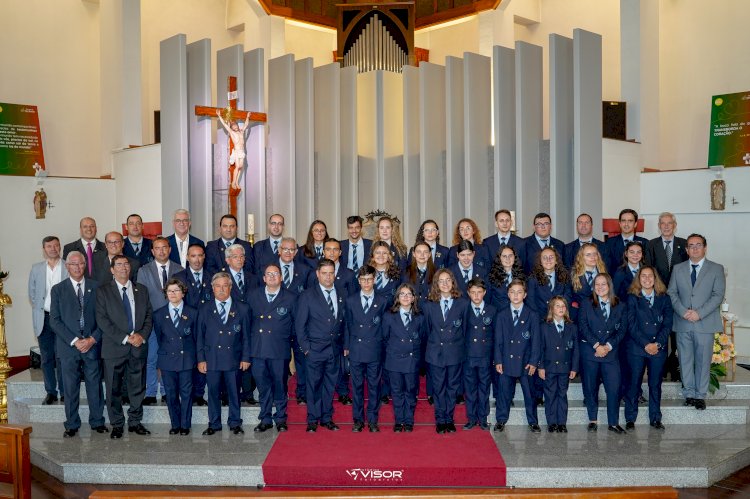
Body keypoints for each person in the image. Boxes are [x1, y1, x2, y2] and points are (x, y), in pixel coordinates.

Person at [49, 251, 107, 437]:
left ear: (85, 265)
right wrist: (75, 341)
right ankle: (72, 424)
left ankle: (97, 421)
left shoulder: (96, 287)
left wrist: (91, 339)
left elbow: (103, 319)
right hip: (68, 347)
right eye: (73, 264)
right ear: (67, 267)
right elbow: (55, 320)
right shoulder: (58, 289)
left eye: (81, 263)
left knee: (95, 385)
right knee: (70, 387)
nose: (77, 267)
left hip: (92, 345)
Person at [96, 254, 153, 439]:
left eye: (126, 264)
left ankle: (135, 422)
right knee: (113, 389)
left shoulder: (141, 290)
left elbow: (148, 317)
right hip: (114, 348)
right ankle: (117, 424)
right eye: (119, 265)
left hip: (137, 347)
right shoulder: (103, 291)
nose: (123, 268)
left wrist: (141, 336)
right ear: (112, 270)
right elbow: (102, 320)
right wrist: (125, 338)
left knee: (137, 387)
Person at [667, 234, 725, 411]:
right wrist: (684, 312)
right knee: (684, 360)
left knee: (702, 360)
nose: (694, 248)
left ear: (705, 247)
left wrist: (699, 313)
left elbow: (718, 296)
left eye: (698, 245)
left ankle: (700, 395)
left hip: (705, 322)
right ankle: (689, 394)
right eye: (690, 246)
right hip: (683, 322)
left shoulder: (716, 269)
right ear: (686, 249)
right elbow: (672, 293)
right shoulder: (678, 269)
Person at [197, 272, 251, 435]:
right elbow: (199, 336)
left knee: (234, 392)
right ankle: (214, 423)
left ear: (231, 287)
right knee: (213, 393)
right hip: (211, 358)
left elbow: (247, 336)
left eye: (225, 285)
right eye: (218, 286)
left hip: (233, 359)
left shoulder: (242, 308)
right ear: (212, 288)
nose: (221, 289)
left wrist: (246, 357)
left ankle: (235, 422)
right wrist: (201, 359)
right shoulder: (205, 308)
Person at [295, 259, 345, 432]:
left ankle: (326, 417)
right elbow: (300, 326)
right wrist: (306, 349)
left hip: (334, 349)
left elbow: (343, 322)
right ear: (317, 274)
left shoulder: (341, 293)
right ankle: (312, 419)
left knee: (330, 385)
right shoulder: (307, 295)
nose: (328, 277)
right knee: (313, 385)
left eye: (331, 273)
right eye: (324, 273)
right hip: (314, 349)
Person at [248, 264, 296, 433]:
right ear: (263, 278)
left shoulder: (290, 297)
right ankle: (265, 418)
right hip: (258, 349)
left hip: (279, 348)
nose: (272, 277)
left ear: (281, 277)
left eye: (276, 274)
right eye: (269, 274)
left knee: (280, 385)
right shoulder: (253, 295)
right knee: (263, 386)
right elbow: (248, 323)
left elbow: (295, 325)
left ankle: (281, 418)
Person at [136, 237, 184, 406]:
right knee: (151, 358)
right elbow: (141, 298)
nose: (161, 251)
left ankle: (166, 391)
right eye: (158, 248)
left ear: (170, 250)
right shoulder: (143, 270)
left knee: (168, 358)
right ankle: (150, 392)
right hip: (152, 321)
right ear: (152, 251)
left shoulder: (179, 269)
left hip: (174, 322)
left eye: (165, 247)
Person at [624, 266, 673, 430]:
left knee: (655, 384)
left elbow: (667, 324)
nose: (646, 279)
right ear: (638, 279)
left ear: (655, 278)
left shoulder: (664, 298)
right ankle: (630, 418)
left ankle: (655, 418)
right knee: (633, 383)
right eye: (643, 276)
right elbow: (631, 325)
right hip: (637, 348)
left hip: (658, 349)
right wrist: (646, 344)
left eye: (650, 276)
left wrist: (656, 344)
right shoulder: (632, 298)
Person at [578, 273, 627, 434]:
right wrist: (597, 345)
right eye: (596, 285)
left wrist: (608, 346)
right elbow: (583, 327)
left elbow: (622, 330)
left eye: (603, 284)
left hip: (610, 354)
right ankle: (592, 420)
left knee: (614, 388)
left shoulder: (620, 305)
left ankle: (613, 422)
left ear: (610, 286)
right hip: (590, 352)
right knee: (590, 387)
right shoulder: (586, 303)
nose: (600, 287)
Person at [526, 246, 572, 406]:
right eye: (544, 257)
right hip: (541, 324)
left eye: (551, 257)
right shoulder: (532, 279)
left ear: (557, 259)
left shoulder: (564, 277)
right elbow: (531, 304)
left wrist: (558, 317)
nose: (548, 260)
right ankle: (539, 394)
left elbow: (567, 298)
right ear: (539, 261)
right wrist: (546, 321)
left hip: (560, 324)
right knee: (541, 357)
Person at [644, 212, 688, 381]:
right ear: (659, 225)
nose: (667, 226)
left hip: (680, 297)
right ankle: (660, 368)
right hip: (659, 296)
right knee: (660, 332)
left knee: (677, 334)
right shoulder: (651, 244)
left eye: (670, 223)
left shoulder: (683, 244)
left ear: (675, 225)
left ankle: (675, 367)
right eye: (663, 223)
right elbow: (649, 270)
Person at [344, 265, 388, 432]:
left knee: (374, 386)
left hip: (374, 349)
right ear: (359, 281)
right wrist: (346, 346)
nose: (366, 282)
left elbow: (385, 327)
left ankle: (373, 420)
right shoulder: (351, 300)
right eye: (363, 279)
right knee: (356, 387)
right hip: (356, 348)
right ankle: (358, 420)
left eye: (369, 279)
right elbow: (347, 324)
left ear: (374, 279)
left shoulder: (382, 300)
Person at [424, 269, 468, 434]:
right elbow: (427, 330)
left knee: (452, 388)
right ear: (436, 284)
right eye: (441, 281)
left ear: (453, 282)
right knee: (438, 388)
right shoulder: (429, 305)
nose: (445, 283)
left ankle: (449, 419)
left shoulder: (462, 303)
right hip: (435, 353)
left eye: (448, 280)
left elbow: (464, 329)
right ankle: (440, 420)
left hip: (455, 352)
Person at [493, 279, 540, 433]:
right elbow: (498, 340)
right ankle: (501, 420)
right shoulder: (502, 315)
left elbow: (536, 341)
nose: (516, 295)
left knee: (529, 393)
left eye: (519, 292)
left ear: (525, 295)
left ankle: (533, 421)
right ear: (508, 294)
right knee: (504, 393)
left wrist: (534, 362)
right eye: (512, 292)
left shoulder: (532, 315)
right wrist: (498, 360)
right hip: (506, 360)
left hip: (526, 362)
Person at [152, 279, 197, 435]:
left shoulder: (193, 313)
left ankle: (185, 424)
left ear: (183, 293)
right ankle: (175, 424)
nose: (173, 294)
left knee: (186, 393)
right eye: (169, 291)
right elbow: (160, 337)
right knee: (170, 394)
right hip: (167, 359)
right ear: (165, 294)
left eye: (176, 290)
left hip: (186, 359)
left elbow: (196, 337)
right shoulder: (158, 314)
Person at [28, 236, 67, 404]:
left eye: (56, 245)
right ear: (44, 249)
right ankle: (51, 391)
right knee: (47, 358)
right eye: (49, 246)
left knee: (62, 357)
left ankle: (66, 392)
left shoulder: (68, 266)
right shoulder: (36, 269)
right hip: (44, 318)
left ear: (60, 247)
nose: (53, 249)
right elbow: (32, 293)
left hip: (63, 319)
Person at [173, 243, 213, 406]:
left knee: (204, 358)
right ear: (187, 258)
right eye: (193, 256)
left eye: (200, 255)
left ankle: (199, 393)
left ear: (204, 257)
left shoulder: (212, 276)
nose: (197, 260)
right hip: (186, 326)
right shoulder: (179, 277)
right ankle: (187, 393)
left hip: (207, 325)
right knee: (188, 359)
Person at [382, 282, 425, 432]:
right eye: (402, 294)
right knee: (397, 391)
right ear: (397, 297)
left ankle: (409, 420)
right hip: (394, 360)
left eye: (409, 294)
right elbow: (385, 337)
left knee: (411, 391)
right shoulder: (389, 316)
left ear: (414, 298)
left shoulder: (419, 317)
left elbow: (422, 338)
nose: (405, 297)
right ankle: (399, 420)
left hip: (412, 360)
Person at [278, 237, 312, 405]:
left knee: (301, 359)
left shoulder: (304, 270)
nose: (288, 252)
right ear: (279, 250)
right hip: (278, 325)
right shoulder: (269, 269)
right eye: (285, 249)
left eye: (292, 250)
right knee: (281, 361)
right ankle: (281, 393)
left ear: (296, 252)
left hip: (299, 324)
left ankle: (302, 392)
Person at [538, 296, 578, 433]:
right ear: (552, 309)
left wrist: (574, 368)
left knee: (562, 394)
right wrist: (541, 366)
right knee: (550, 395)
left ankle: (562, 422)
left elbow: (576, 349)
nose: (561, 308)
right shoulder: (544, 327)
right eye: (557, 306)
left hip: (565, 367)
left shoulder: (571, 327)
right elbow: (540, 348)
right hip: (549, 366)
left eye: (563, 306)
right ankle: (552, 422)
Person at [224, 243, 257, 405]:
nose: (239, 259)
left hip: (250, 324)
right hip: (229, 325)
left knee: (247, 358)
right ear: (228, 260)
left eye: (242, 256)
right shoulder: (222, 279)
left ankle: (248, 393)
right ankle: (229, 394)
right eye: (235, 256)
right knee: (231, 360)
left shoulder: (253, 277)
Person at [462, 277, 496, 430]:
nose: (476, 296)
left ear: (485, 293)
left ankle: (482, 418)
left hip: (485, 356)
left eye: (479, 292)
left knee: (484, 388)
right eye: (473, 292)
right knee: (469, 388)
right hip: (468, 356)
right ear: (468, 293)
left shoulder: (492, 310)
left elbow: (496, 335)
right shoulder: (464, 310)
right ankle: (471, 418)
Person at [569, 242, 607, 323]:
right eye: (588, 255)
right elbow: (569, 296)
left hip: (601, 317)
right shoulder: (572, 274)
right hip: (580, 317)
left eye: (595, 254)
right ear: (581, 257)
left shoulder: (604, 273)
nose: (593, 257)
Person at [604, 209, 648, 274]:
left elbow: (646, 267)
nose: (626, 224)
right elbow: (607, 267)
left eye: (630, 221)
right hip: (616, 282)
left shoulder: (645, 243)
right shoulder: (610, 243)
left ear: (635, 224)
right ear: (620, 223)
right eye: (623, 221)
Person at [216, 109, 252, 190]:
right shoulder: (232, 133)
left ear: (237, 126)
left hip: (242, 151)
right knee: (237, 166)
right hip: (237, 151)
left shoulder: (241, 132)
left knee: (241, 167)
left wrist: (247, 117)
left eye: (236, 125)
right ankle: (233, 182)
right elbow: (225, 125)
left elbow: (246, 125)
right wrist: (219, 116)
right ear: (231, 128)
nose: (235, 127)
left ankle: (236, 182)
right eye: (233, 126)